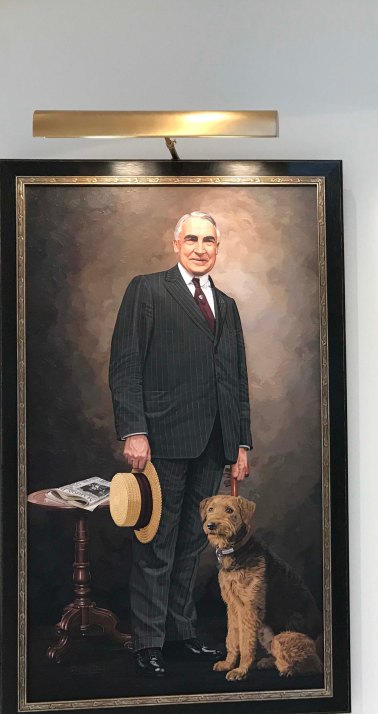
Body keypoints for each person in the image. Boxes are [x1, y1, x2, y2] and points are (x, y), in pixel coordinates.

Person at [109, 211, 252, 677]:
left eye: (208, 241)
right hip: (162, 440)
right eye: (191, 239)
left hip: (215, 442)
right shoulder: (147, 290)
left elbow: (235, 380)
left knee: (192, 543)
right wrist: (134, 430)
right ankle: (148, 641)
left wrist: (241, 444)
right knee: (157, 543)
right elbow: (126, 364)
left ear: (218, 247)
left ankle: (181, 634)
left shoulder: (226, 305)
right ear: (176, 244)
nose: (200, 248)